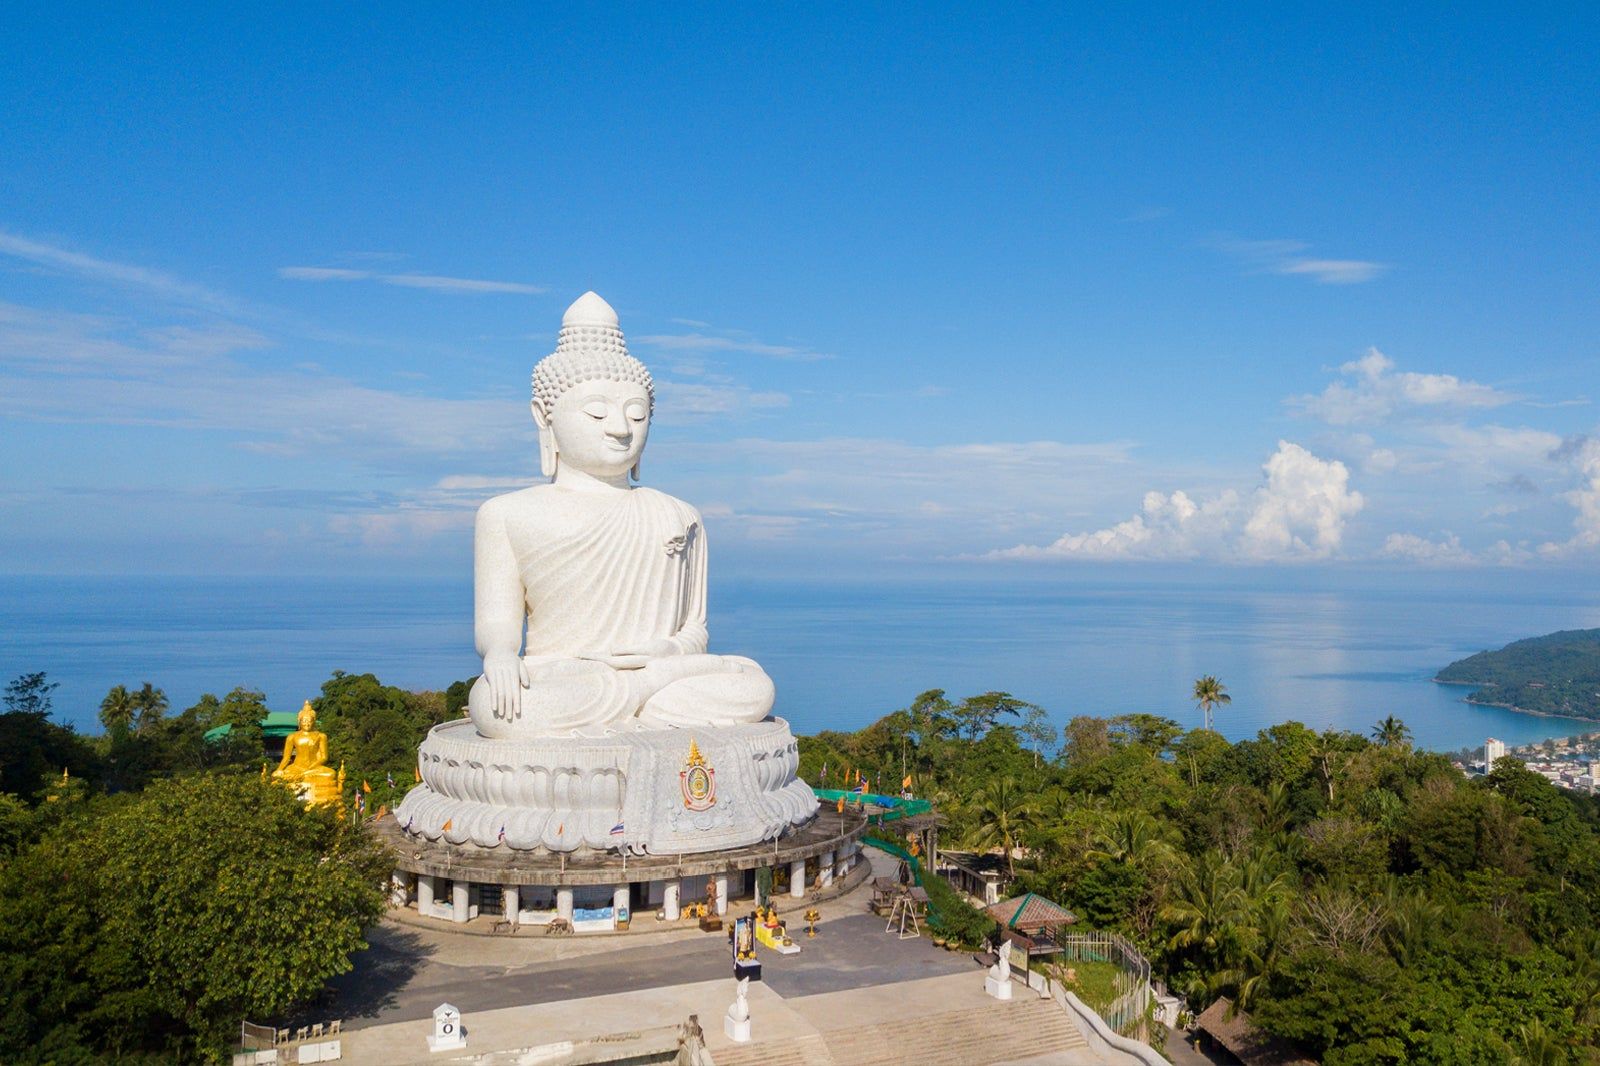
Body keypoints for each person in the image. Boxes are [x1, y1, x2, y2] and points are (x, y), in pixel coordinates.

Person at [468, 292, 774, 738]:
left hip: (660, 669)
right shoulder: (506, 513)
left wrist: (665, 652)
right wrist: (499, 656)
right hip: (569, 678)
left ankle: (641, 698)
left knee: (752, 685)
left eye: (637, 415)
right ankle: (647, 704)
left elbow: (695, 630)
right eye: (596, 412)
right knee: (495, 707)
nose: (619, 428)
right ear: (544, 417)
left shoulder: (678, 514)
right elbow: (498, 625)